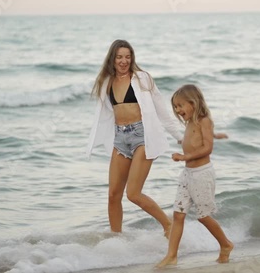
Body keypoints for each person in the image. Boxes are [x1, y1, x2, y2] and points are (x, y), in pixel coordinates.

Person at [86, 40, 184, 236]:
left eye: (127, 57)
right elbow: (105, 116)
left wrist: (181, 138)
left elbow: (161, 111)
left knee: (133, 193)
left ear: (132, 59)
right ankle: (117, 240)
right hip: (120, 138)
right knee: (113, 195)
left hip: (142, 136)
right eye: (119, 57)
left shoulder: (142, 79)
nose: (124, 61)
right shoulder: (106, 83)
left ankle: (168, 225)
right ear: (112, 59)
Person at [156, 84, 233, 268]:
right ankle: (172, 256)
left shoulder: (204, 120)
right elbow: (195, 139)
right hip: (187, 174)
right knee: (178, 215)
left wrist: (185, 156)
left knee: (203, 216)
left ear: (193, 103)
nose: (178, 110)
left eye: (180, 105)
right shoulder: (191, 122)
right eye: (175, 107)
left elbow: (208, 148)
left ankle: (226, 244)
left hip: (201, 175)